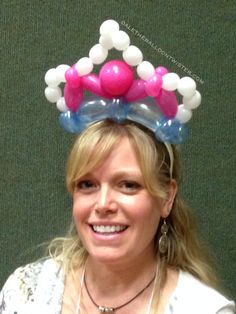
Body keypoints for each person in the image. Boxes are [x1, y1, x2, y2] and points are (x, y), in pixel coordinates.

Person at [0, 20, 235, 314]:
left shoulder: (202, 309)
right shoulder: (25, 295)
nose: (103, 204)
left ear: (167, 198)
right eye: (87, 184)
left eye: (128, 185)